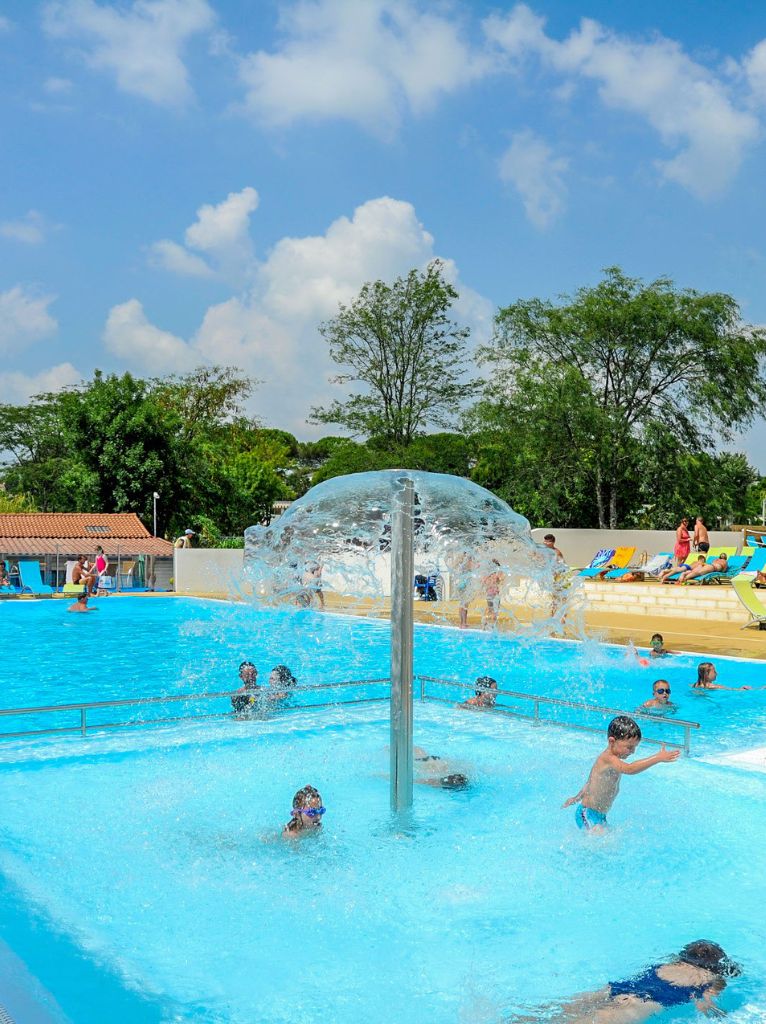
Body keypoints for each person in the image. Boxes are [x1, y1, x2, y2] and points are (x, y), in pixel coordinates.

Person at [525, 940, 740, 1023]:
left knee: (552, 1010)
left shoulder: (669, 963)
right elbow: (705, 1007)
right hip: (641, 1003)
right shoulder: (713, 980)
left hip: (619, 988)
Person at [562, 716, 679, 830]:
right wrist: (657, 758)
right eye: (629, 747)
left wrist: (575, 797)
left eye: (634, 747)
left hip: (600, 816)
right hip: (587, 813)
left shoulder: (614, 761)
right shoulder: (608, 758)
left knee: (608, 840)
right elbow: (630, 769)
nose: (633, 751)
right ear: (612, 741)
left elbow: (590, 783)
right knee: (598, 841)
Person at [482, 560, 504, 629]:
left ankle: (484, 623)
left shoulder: (487, 576)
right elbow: (501, 580)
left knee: (489, 609)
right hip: (495, 595)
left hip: (488, 594)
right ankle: (493, 626)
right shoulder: (496, 575)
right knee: (495, 611)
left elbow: (483, 582)